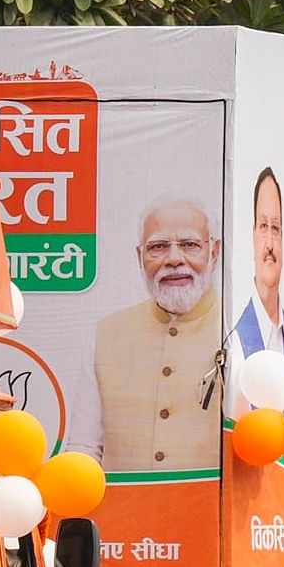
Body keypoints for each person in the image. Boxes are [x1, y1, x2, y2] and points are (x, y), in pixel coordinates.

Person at [92, 196, 223, 472]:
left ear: (214, 252)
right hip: (126, 509)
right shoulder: (107, 333)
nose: (174, 259)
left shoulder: (238, 330)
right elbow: (85, 447)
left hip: (210, 510)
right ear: (140, 257)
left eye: (189, 245)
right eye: (158, 247)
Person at [234, 168, 284, 373]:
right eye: (263, 226)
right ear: (253, 235)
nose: (270, 244)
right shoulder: (237, 338)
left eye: (275, 228)